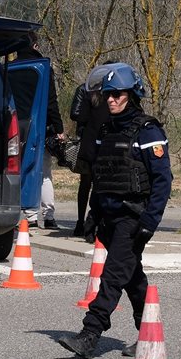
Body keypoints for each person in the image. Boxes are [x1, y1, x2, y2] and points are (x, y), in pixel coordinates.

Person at [58, 63, 172, 359]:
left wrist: (150, 221)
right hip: (109, 217)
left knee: (112, 276)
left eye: (118, 94)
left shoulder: (148, 131)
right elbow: (100, 174)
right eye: (108, 94)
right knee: (132, 277)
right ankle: (150, 334)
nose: (111, 99)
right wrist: (93, 214)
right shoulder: (106, 130)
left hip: (133, 218)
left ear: (131, 95)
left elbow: (163, 180)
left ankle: (90, 334)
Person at [16, 37, 66, 229]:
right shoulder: (42, 68)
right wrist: (59, 128)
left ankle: (29, 215)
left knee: (18, 169)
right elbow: (51, 101)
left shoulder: (11, 68)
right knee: (44, 172)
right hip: (40, 127)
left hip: (15, 127)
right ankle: (49, 216)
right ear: (35, 46)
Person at [67, 60, 120, 239]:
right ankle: (96, 223)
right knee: (102, 185)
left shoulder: (89, 92)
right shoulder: (115, 96)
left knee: (85, 184)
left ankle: (81, 222)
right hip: (108, 145)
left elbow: (78, 115)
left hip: (89, 143)